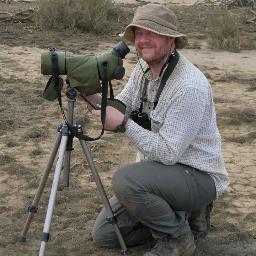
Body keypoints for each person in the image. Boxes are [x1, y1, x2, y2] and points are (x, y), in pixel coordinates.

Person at [81, 3, 229, 256]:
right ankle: (182, 216)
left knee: (126, 180)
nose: (143, 40)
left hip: (197, 175)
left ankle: (177, 239)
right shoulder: (143, 67)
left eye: (153, 33)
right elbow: (121, 105)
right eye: (139, 33)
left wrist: (125, 124)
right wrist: (84, 92)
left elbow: (169, 152)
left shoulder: (188, 87)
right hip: (160, 173)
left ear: (171, 40)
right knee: (105, 234)